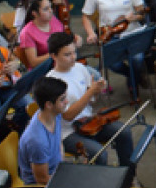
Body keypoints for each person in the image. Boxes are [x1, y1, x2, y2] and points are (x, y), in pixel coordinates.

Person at [47, 32, 134, 168]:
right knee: (99, 153)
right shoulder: (52, 81)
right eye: (67, 55)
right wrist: (91, 92)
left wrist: (97, 92)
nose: (73, 57)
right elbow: (68, 116)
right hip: (68, 132)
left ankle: (128, 176)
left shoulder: (80, 68)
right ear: (54, 56)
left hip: (89, 122)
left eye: (74, 52)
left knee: (124, 132)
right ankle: (100, 185)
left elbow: (91, 100)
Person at [82, 0, 149, 88]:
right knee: (112, 63)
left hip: (132, 32)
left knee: (137, 59)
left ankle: (133, 85)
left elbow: (141, 13)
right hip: (109, 35)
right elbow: (86, 16)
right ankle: (134, 77)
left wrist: (134, 17)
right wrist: (91, 33)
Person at [17, 77, 68, 186]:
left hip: (57, 172)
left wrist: (64, 168)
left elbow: (59, 143)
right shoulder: (38, 141)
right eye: (62, 99)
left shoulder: (55, 114)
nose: (67, 102)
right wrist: (68, 181)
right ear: (49, 104)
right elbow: (42, 180)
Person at [18, 0, 75, 69]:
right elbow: (33, 62)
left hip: (62, 64)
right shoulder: (27, 32)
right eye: (46, 9)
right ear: (34, 13)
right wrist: (56, 52)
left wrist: (74, 40)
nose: (51, 11)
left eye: (50, 7)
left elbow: (64, 41)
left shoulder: (54, 20)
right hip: (44, 71)